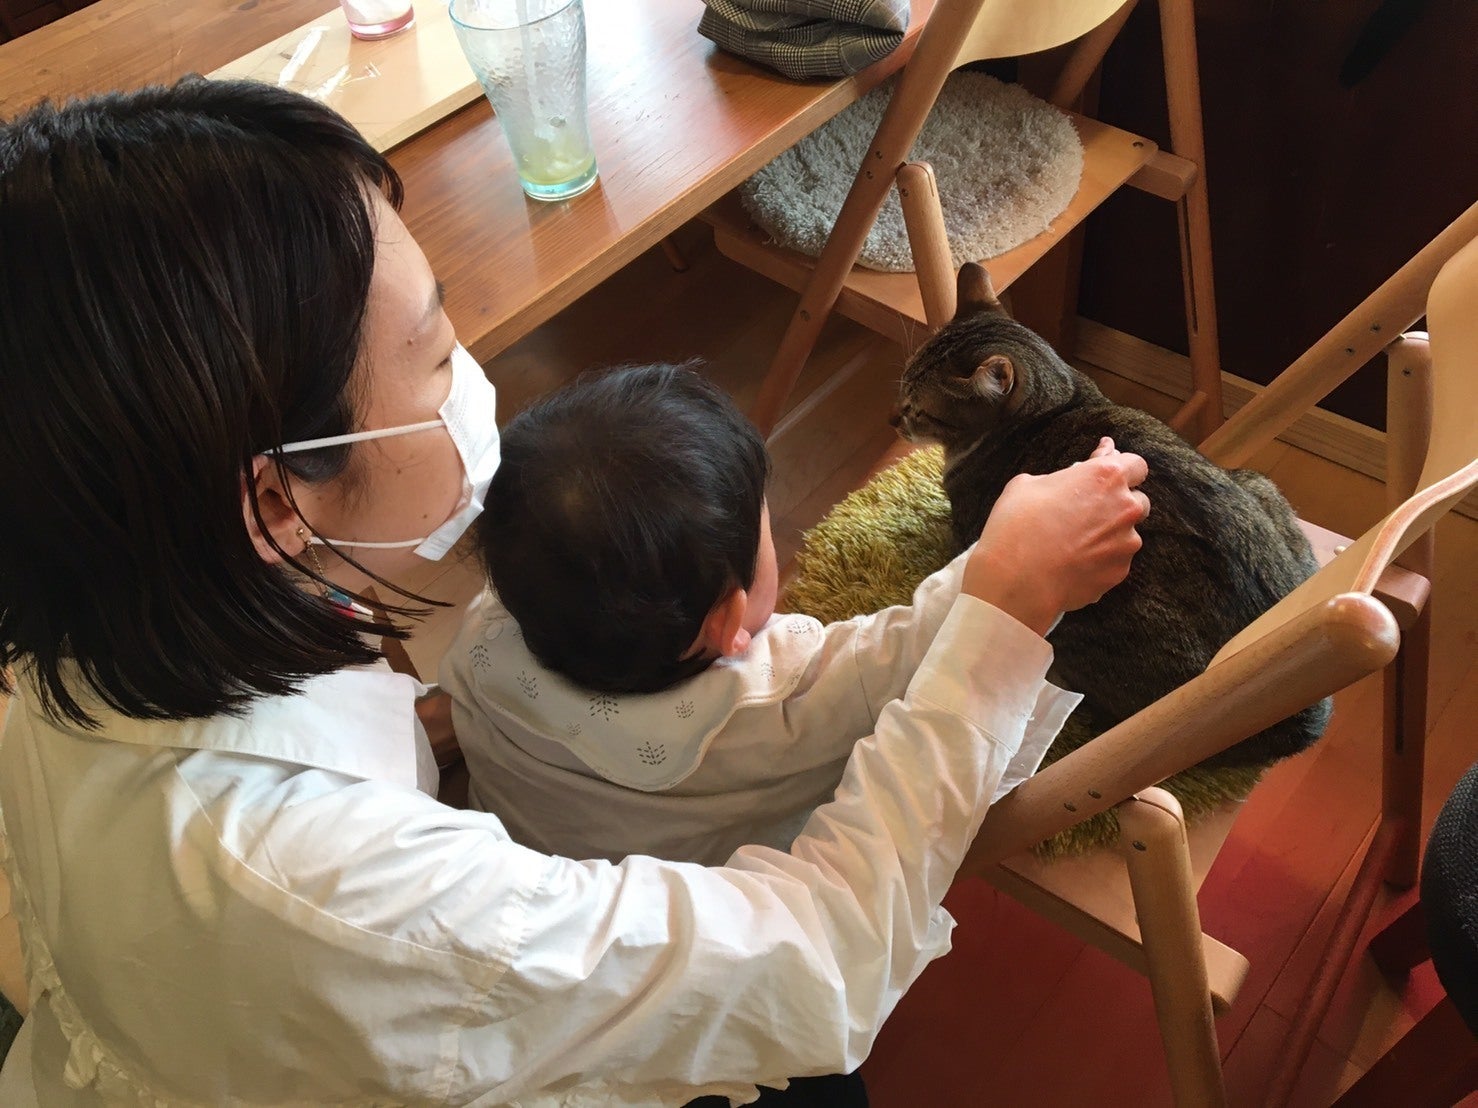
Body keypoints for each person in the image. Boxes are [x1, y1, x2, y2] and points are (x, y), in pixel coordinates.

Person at [0, 78, 1150, 1106]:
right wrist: (1000, 606)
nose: (474, 387)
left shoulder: (102, 607)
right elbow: (817, 965)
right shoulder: (339, 896)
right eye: (437, 354)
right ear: (273, 502)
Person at [443, 363, 1079, 867]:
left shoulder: (486, 632)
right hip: (709, 905)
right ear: (730, 619)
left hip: (537, 870)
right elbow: (917, 646)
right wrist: (1018, 547)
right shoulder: (776, 702)